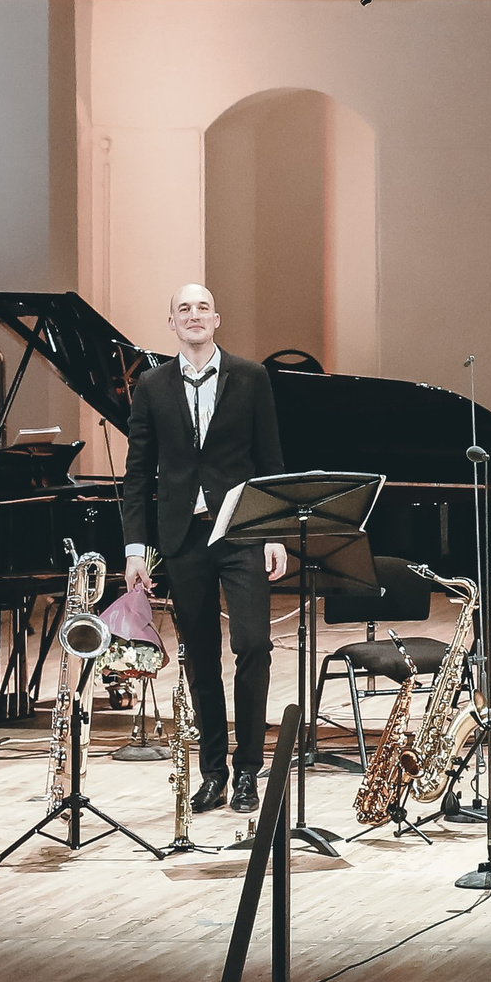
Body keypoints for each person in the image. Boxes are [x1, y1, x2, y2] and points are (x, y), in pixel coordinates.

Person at [120, 284, 290, 815]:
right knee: (200, 658)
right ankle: (214, 772)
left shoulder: (251, 376)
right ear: (171, 323)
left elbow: (270, 460)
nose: (193, 316)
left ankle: (248, 771)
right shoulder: (151, 385)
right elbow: (137, 473)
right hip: (182, 538)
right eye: (183, 309)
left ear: (217, 318)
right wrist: (134, 548)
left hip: (241, 533)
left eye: (202, 308)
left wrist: (276, 533)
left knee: (253, 645)